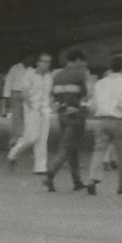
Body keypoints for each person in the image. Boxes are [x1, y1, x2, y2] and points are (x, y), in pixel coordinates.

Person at [86, 52, 122, 196]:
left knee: (99, 150)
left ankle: (92, 179)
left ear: (110, 67)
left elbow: (93, 105)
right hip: (118, 120)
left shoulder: (100, 83)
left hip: (102, 120)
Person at [45, 49, 92, 192]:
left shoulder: (57, 76)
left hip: (62, 114)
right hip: (76, 115)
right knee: (66, 148)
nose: (83, 65)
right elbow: (87, 95)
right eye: (82, 62)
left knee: (72, 148)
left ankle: (77, 181)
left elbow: (52, 96)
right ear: (77, 60)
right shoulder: (81, 75)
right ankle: (50, 174)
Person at [7, 51, 53, 174]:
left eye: (48, 62)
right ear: (38, 62)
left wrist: (49, 106)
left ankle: (40, 167)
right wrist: (30, 106)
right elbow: (24, 92)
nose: (46, 64)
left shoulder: (49, 76)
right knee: (31, 137)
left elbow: (50, 93)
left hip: (45, 110)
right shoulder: (30, 74)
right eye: (44, 61)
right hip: (32, 109)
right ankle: (13, 153)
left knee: (42, 140)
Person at [4, 56, 32, 148]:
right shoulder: (15, 68)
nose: (30, 60)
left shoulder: (32, 70)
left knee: (27, 118)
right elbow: (8, 82)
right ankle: (14, 141)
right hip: (16, 94)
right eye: (29, 57)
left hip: (28, 95)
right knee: (16, 118)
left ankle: (23, 141)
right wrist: (7, 96)